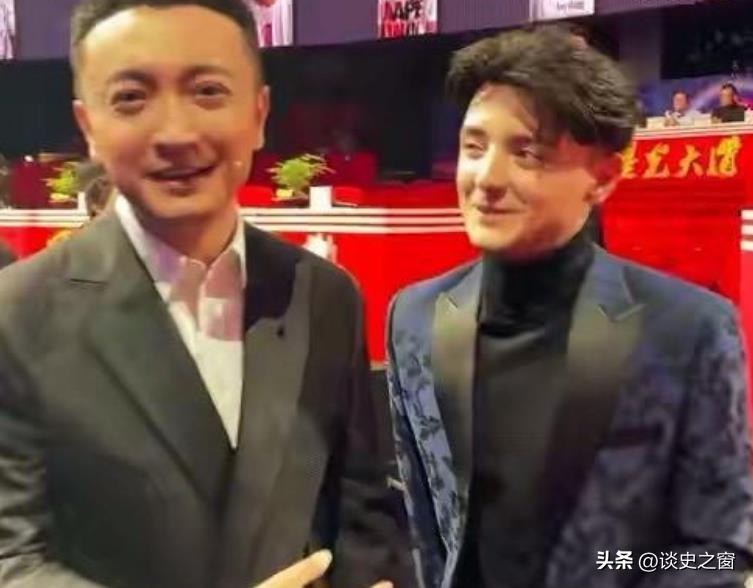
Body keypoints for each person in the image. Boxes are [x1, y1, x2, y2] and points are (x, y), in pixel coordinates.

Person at [0, 1, 412, 587]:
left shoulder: (321, 295)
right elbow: (10, 556)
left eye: (208, 91)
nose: (176, 133)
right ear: (88, 127)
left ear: (259, 113)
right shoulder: (18, 313)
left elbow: (360, 513)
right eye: (131, 98)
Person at [386, 25, 753, 588]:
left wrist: (615, 569)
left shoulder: (689, 329)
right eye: (474, 147)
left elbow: (723, 553)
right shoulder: (413, 318)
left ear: (602, 178)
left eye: (527, 153)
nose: (486, 179)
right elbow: (427, 534)